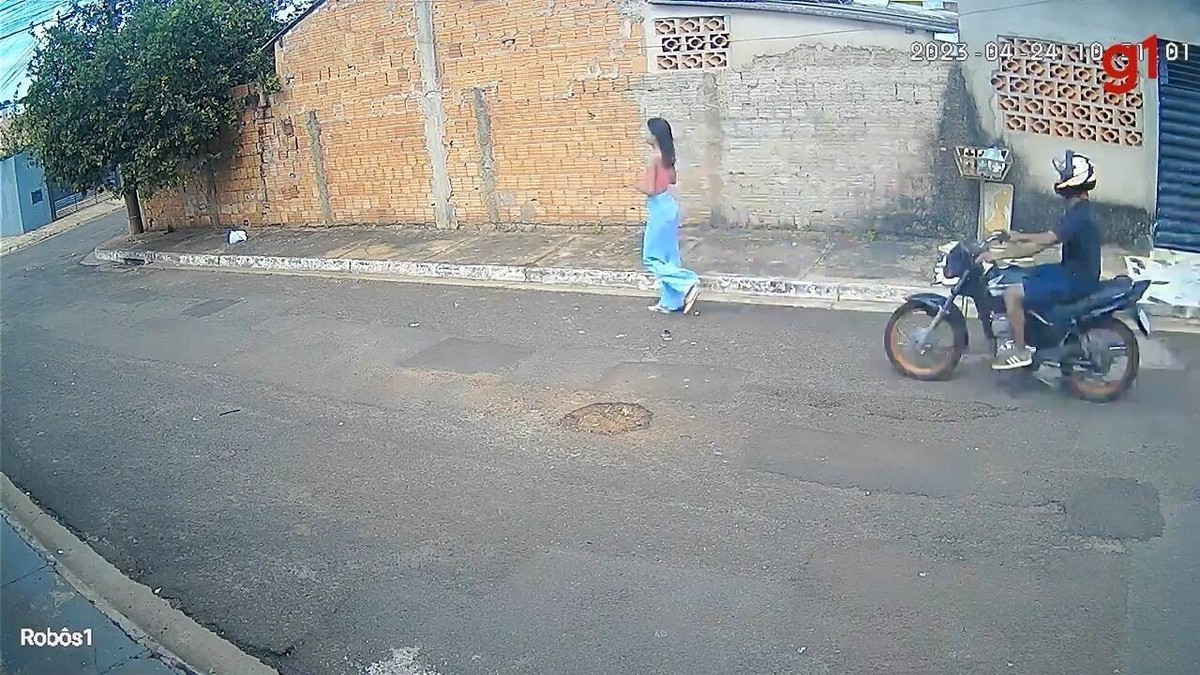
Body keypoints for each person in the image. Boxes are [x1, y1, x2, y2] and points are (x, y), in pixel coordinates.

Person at [978, 150, 1102, 370]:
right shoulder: (1077, 210)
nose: (1060, 180)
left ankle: (1020, 350)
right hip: (1072, 271)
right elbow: (1042, 241)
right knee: (1027, 274)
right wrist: (1013, 238)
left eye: (1064, 176)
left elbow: (1046, 240)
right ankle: (1035, 332)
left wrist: (1001, 253)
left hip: (1076, 280)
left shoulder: (1079, 215)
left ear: (1073, 182)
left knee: (1012, 294)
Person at [631, 117, 701, 315]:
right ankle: (671, 302)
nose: (646, 135)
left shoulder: (654, 157)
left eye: (648, 131)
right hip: (670, 206)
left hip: (660, 208)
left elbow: (651, 189)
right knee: (668, 257)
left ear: (655, 135)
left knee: (651, 258)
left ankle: (688, 282)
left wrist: (634, 184)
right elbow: (672, 180)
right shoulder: (667, 156)